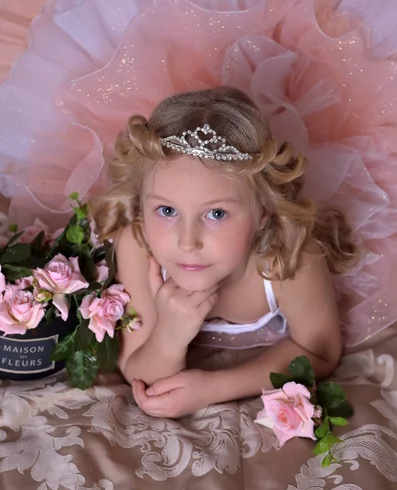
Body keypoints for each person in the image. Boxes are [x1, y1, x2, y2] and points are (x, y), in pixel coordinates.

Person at [90, 86, 358, 418]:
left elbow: (320, 351)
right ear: (142, 205)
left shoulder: (290, 255)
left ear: (263, 213)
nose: (188, 242)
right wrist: (170, 334)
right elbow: (141, 374)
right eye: (167, 211)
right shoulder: (139, 244)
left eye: (216, 214)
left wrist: (214, 388)